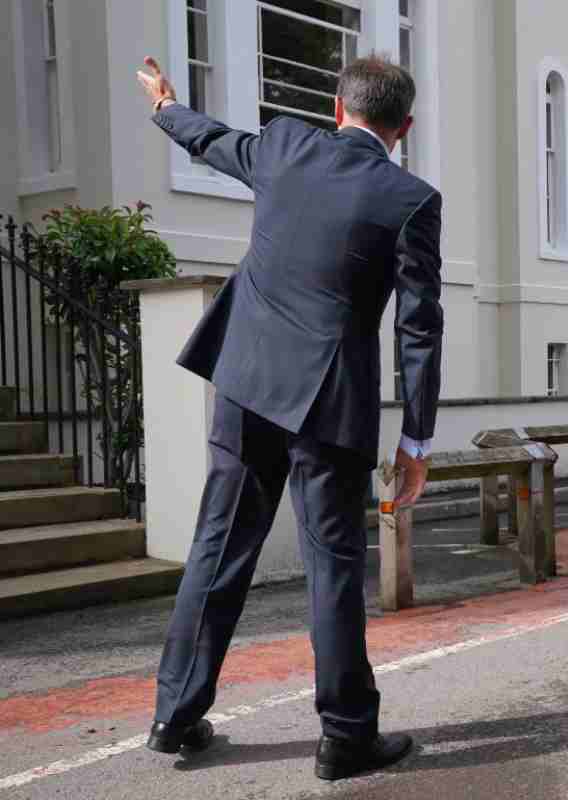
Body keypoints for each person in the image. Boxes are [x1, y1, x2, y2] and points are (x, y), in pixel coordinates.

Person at [135, 54, 443, 780]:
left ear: (338, 109)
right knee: (331, 568)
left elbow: (212, 140)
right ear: (404, 127)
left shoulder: (283, 145)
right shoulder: (411, 198)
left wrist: (165, 108)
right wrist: (416, 437)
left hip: (245, 383)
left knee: (217, 546)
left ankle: (174, 716)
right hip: (329, 404)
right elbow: (420, 326)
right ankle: (344, 737)